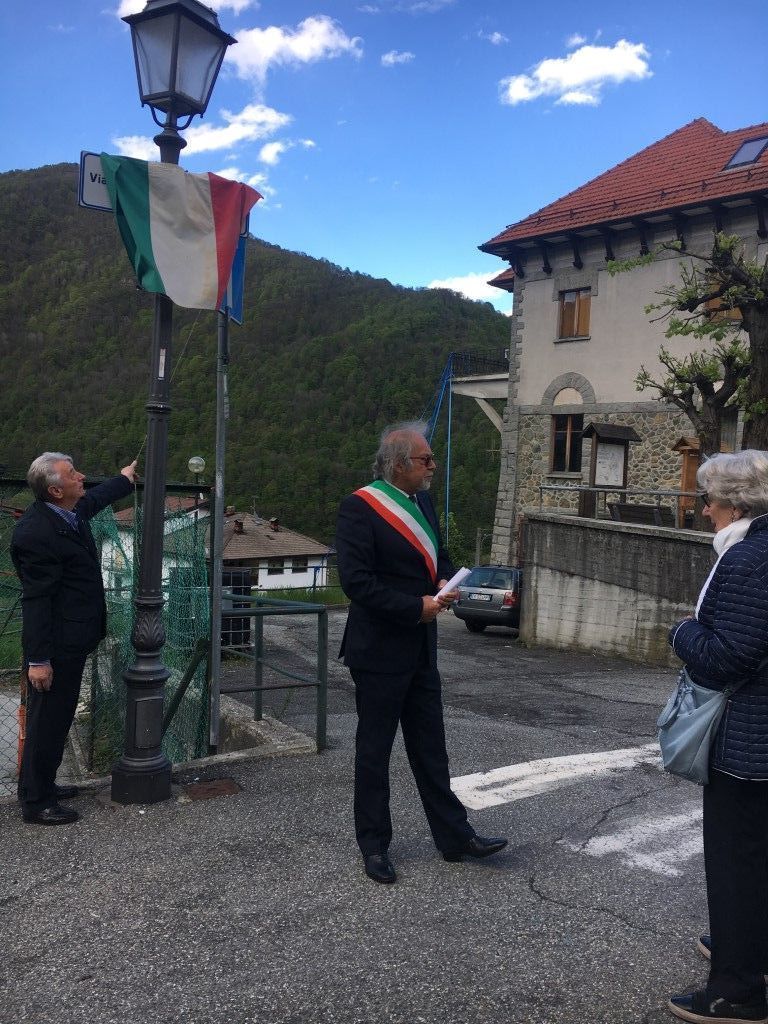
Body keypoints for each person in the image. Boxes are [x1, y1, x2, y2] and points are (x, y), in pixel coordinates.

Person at [335, 421, 507, 883]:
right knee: (374, 753)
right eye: (425, 459)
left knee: (432, 748)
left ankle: (454, 837)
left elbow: (438, 555)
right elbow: (356, 582)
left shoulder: (423, 502)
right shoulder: (359, 508)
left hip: (420, 649)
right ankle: (374, 845)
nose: (433, 466)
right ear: (398, 464)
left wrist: (444, 581)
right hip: (378, 652)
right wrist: (416, 607)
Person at [667, 450, 768, 1024]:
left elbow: (729, 656)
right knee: (758, 859)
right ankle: (750, 950)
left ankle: (737, 991)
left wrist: (682, 632)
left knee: (735, 865)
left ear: (733, 503)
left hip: (749, 742)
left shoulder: (749, 559)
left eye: (708, 500)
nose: (704, 510)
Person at [12, 452, 137, 825]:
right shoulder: (36, 533)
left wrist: (124, 479)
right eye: (72, 474)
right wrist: (39, 660)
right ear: (55, 490)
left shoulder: (67, 512)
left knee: (57, 716)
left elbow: (95, 498)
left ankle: (40, 785)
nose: (81, 477)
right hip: (55, 645)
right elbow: (37, 600)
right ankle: (37, 802)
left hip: (72, 639)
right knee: (47, 721)